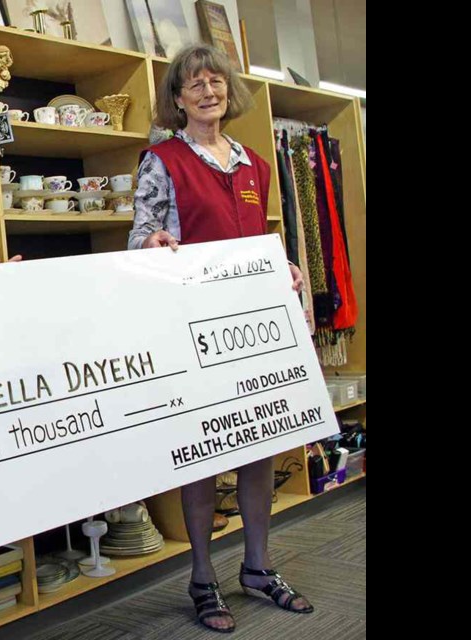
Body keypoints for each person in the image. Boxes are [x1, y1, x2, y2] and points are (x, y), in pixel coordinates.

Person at [129, 43, 312, 634]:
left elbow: (258, 241)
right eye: (195, 84)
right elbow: (140, 239)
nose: (209, 90)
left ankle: (258, 568)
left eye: (216, 80)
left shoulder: (255, 164)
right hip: (191, 331)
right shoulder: (162, 160)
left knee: (260, 448)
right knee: (202, 456)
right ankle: (203, 577)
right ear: (177, 99)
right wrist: (152, 247)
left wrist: (283, 269)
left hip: (250, 327)